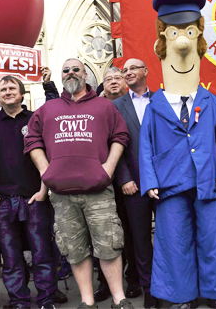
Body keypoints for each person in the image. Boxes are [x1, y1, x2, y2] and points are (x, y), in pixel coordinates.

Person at [141, 0, 216, 309]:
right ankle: (179, 297)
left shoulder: (210, 100)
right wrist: (151, 183)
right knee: (174, 242)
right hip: (171, 184)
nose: (183, 43)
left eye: (188, 32)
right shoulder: (154, 105)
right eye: (174, 34)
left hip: (209, 181)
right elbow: (145, 148)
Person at [24, 58, 133, 309]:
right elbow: (31, 140)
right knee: (74, 249)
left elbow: (121, 135)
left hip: (98, 191)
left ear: (86, 75)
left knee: (109, 245)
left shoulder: (104, 106)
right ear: (61, 76)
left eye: (76, 69)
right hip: (61, 194)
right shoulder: (48, 109)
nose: (71, 73)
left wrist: (109, 167)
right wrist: (45, 169)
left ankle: (119, 299)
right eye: (66, 70)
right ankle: (87, 301)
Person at [0, 72, 60, 309]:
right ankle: (19, 301)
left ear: (22, 94)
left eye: (12, 88)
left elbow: (48, 155)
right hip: (1, 200)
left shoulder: (36, 118)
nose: (8, 92)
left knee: (42, 253)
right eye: (3, 90)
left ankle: (46, 300)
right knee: (10, 257)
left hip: (34, 197)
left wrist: (44, 190)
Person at [112, 58, 159, 308]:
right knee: (140, 239)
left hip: (165, 184)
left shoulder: (161, 99)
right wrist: (124, 178)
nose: (128, 72)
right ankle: (149, 288)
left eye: (133, 68)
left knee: (168, 236)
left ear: (145, 71)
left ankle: (169, 284)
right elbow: (113, 146)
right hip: (134, 185)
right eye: (124, 70)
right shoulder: (117, 105)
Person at [94, 66, 143, 305]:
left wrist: (125, 177)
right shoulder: (95, 106)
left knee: (131, 232)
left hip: (130, 182)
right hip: (101, 184)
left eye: (117, 78)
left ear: (125, 82)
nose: (113, 82)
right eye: (108, 79)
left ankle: (133, 279)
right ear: (102, 85)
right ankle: (105, 284)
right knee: (103, 235)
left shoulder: (133, 105)